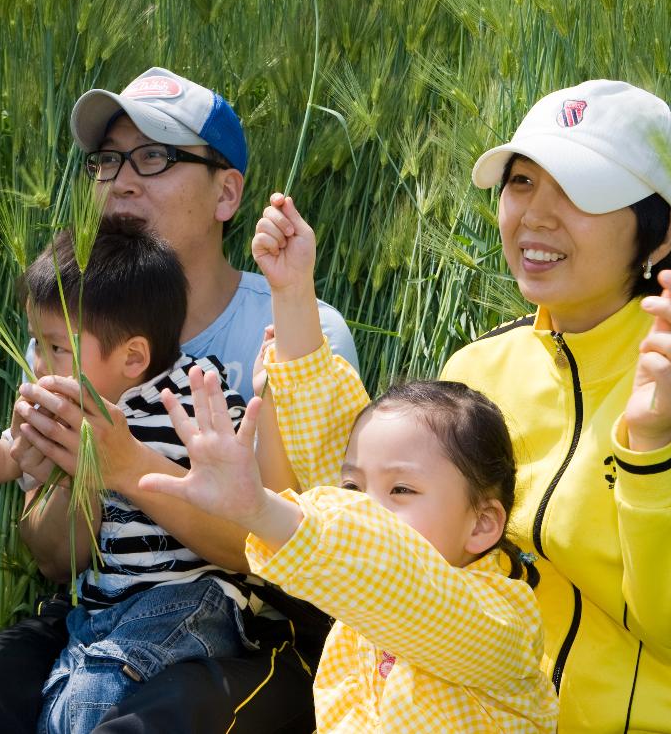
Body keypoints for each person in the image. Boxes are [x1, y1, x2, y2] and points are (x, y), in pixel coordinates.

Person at [255, 79, 671, 732]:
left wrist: (658, 439)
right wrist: (295, 306)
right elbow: (370, 512)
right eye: (522, 183)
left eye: (580, 190)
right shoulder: (481, 364)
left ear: (660, 231)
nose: (535, 215)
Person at [0, 67, 359, 733]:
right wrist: (72, 470)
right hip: (97, 608)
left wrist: (125, 463)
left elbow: (291, 564)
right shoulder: (68, 324)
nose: (122, 180)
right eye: (106, 160)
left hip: (246, 626)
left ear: (228, 192)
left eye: (155, 156)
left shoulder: (296, 325)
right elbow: (51, 556)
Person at [133, 228, 559, 729]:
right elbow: (325, 434)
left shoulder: (504, 623)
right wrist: (292, 293)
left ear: (482, 523)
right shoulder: (358, 610)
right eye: (354, 490)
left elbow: (403, 582)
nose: (363, 507)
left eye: (401, 489)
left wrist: (262, 511)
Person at [0, 219, 259, 734]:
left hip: (189, 597)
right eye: (35, 343)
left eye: (56, 348)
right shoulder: (58, 409)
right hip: (100, 608)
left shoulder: (197, 395)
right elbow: (3, 459)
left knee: (94, 695)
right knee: (62, 703)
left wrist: (128, 463)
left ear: (133, 355)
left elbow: (242, 509)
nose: (38, 364)